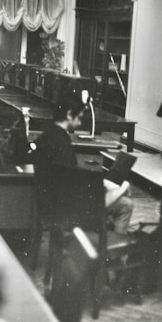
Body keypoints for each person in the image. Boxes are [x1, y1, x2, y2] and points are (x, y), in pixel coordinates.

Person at [32, 94, 133, 233]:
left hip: (49, 201)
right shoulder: (62, 142)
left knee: (114, 191)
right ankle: (112, 251)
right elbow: (74, 183)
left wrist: (105, 185)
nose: (80, 122)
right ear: (69, 114)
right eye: (79, 117)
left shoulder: (46, 137)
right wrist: (121, 189)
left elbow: (68, 176)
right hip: (70, 207)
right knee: (126, 204)